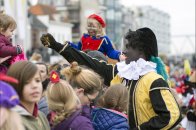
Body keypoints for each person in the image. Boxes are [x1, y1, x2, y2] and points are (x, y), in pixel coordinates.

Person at [40, 27, 182, 130]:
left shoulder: (154, 80)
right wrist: (58, 46)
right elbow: (88, 62)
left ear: (140, 51)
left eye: (128, 48)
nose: (124, 51)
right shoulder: (119, 73)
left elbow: (171, 116)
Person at [6, 61, 50, 130]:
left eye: (37, 80)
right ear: (15, 85)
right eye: (27, 82)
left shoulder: (41, 116)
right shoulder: (11, 120)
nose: (35, 86)